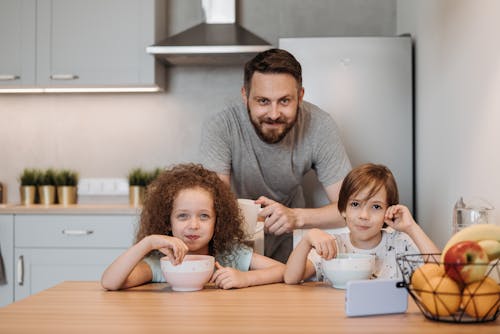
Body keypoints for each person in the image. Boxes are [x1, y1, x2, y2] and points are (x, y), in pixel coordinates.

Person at [199, 48, 352, 263]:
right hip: (234, 238)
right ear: (245, 96)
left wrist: (295, 217)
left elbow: (350, 207)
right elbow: (212, 204)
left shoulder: (320, 125)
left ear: (300, 96)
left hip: (293, 238)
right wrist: (258, 217)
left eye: (284, 101)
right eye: (263, 101)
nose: (273, 114)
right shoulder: (221, 125)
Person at [101, 163, 285, 291]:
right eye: (182, 216)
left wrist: (245, 278)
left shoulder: (231, 255)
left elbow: (285, 271)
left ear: (218, 221)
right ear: (167, 221)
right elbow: (110, 282)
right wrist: (148, 243)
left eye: (204, 216)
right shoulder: (160, 264)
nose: (194, 225)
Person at [284, 163, 440, 284]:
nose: (364, 216)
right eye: (355, 204)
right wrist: (307, 239)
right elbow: (291, 278)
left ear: (388, 211)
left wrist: (411, 227)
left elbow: (441, 270)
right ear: (343, 209)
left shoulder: (400, 243)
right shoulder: (333, 246)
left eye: (376, 207)